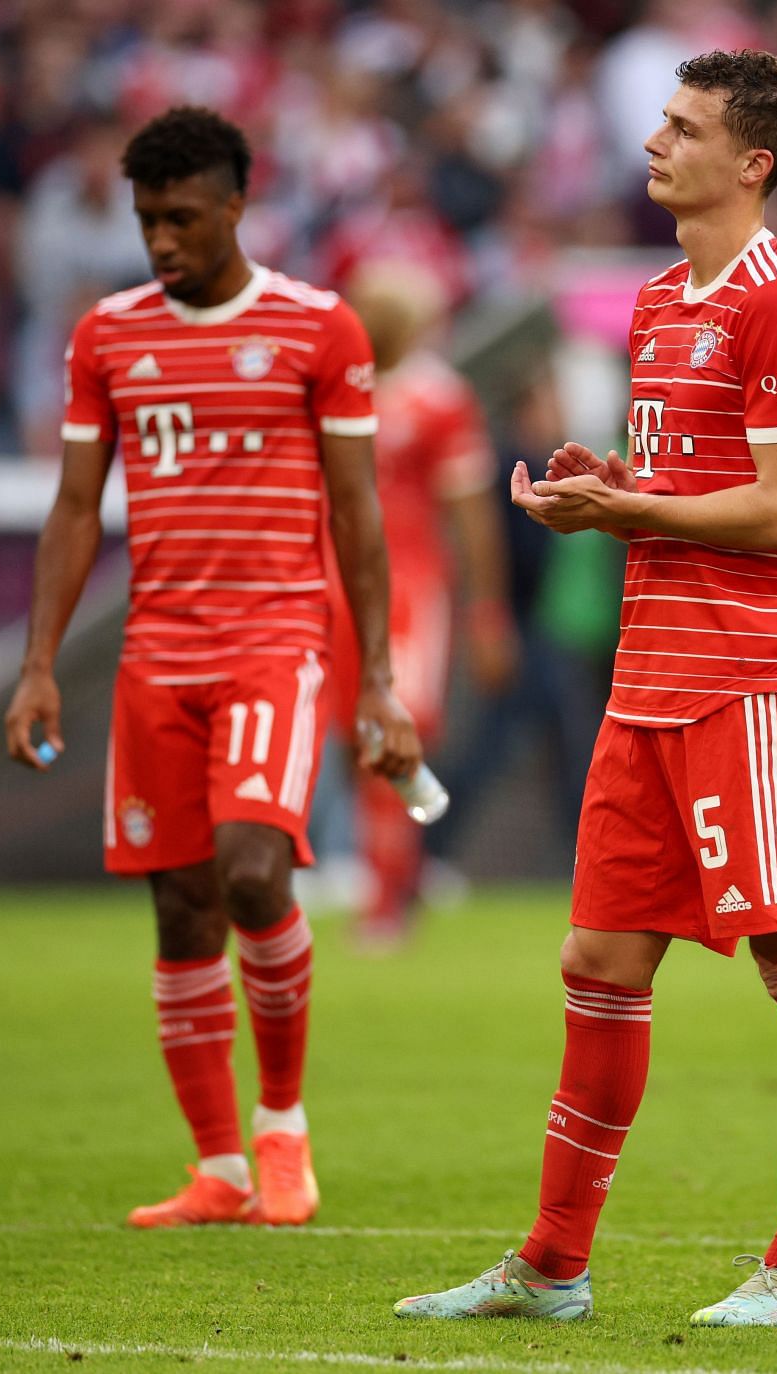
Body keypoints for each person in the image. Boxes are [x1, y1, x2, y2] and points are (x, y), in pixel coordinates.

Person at [397, 50, 777, 1328]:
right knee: (599, 960)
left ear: (751, 161)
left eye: (683, 127)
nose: (654, 143)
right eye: (659, 121)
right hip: (647, 683)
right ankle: (551, 1266)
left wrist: (631, 506)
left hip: (746, 684)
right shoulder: (660, 299)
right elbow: (691, 484)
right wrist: (609, 484)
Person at [3, 107, 419, 1229]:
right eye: (148, 219)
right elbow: (75, 509)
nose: (162, 240)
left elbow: (357, 512)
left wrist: (375, 676)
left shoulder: (318, 330)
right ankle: (219, 1167)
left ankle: (283, 1131)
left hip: (276, 643)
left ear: (237, 205)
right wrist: (39, 662)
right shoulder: (106, 337)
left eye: (182, 216)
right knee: (182, 910)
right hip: (157, 656)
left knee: (249, 874)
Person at [333, 264, 517, 948]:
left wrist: (486, 610)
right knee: (359, 743)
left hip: (410, 591)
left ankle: (386, 895)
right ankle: (399, 874)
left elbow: (472, 515)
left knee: (394, 734)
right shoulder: (334, 389)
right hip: (338, 587)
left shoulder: (439, 398)